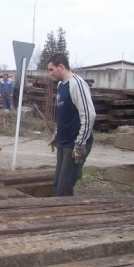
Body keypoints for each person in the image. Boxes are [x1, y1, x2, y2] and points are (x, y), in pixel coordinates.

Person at [47, 53, 96, 196]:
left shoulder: (77, 84)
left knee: (63, 189)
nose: (50, 73)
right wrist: (57, 134)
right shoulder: (61, 85)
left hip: (74, 145)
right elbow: (64, 114)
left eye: (51, 69)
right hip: (63, 142)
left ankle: (64, 215)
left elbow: (88, 115)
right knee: (57, 184)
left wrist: (80, 144)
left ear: (61, 67)